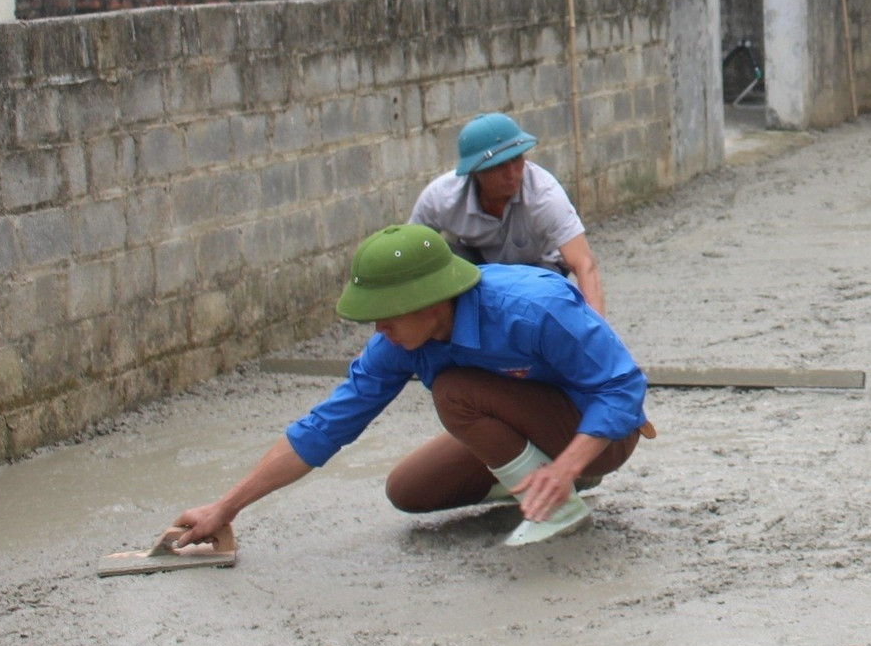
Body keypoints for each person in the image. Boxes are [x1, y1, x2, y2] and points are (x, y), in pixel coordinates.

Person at [169, 225, 650, 549]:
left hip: (600, 435)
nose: (379, 328)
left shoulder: (532, 306)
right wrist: (225, 507)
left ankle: (559, 501)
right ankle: (543, 481)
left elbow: (624, 387)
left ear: (432, 300)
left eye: (388, 312)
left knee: (454, 391)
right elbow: (324, 427)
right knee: (409, 490)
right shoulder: (397, 343)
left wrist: (567, 466)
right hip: (534, 427)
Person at [410, 113, 605, 316]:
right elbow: (408, 252)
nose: (512, 173)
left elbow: (584, 264)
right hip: (478, 264)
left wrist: (597, 334)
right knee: (440, 258)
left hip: (539, 267)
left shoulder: (545, 195)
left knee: (539, 307)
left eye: (516, 159)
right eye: (498, 166)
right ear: (475, 171)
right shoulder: (441, 198)